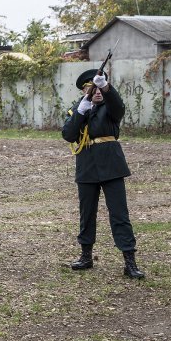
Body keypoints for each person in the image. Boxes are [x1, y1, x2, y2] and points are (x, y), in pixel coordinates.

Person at [62, 69, 145, 279]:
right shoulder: (77, 110)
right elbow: (68, 135)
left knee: (119, 214)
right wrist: (81, 110)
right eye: (93, 88)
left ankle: (129, 261)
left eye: (100, 87)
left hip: (111, 165)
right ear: (84, 91)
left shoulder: (110, 108)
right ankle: (86, 256)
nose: (97, 92)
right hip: (87, 165)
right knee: (86, 214)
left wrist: (107, 87)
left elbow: (119, 106)